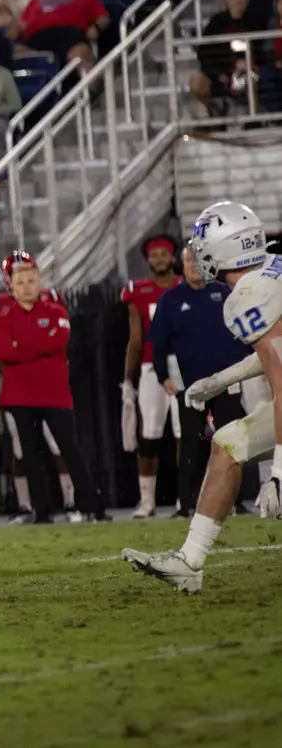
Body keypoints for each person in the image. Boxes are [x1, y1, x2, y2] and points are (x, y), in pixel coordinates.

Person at [124, 203, 282, 592]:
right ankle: (190, 560)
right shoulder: (269, 270)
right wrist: (217, 381)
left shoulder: (247, 295)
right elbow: (274, 354)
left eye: (203, 244)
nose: (197, 253)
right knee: (226, 445)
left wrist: (280, 470)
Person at [0, 257, 105, 526]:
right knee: (31, 456)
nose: (27, 287)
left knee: (69, 450)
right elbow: (4, 352)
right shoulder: (3, 318)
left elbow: (60, 339)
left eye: (31, 281)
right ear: (12, 287)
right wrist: (42, 345)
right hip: (20, 396)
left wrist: (24, 347)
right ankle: (42, 513)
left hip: (55, 395)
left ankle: (92, 507)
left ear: (39, 282)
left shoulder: (57, 311)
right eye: (20, 283)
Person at [121, 236, 185, 519]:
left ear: (173, 257)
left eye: (164, 254)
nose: (159, 259)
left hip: (184, 364)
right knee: (150, 434)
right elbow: (135, 340)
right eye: (154, 255)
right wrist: (127, 378)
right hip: (150, 367)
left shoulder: (186, 286)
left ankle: (188, 497)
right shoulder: (138, 290)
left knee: (186, 433)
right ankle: (147, 502)